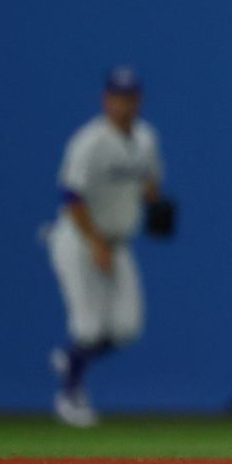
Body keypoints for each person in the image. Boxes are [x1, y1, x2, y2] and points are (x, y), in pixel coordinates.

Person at [47, 66, 166, 427]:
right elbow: (71, 196)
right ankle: (70, 396)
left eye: (130, 96)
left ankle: (71, 359)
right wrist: (96, 243)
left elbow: (151, 185)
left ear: (139, 100)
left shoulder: (146, 138)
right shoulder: (90, 141)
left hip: (119, 241)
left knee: (128, 327)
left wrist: (152, 198)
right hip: (79, 239)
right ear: (106, 100)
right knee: (88, 326)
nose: (124, 103)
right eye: (117, 96)